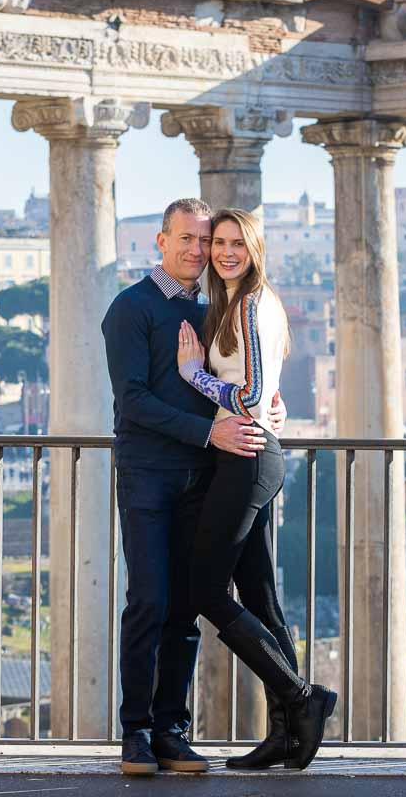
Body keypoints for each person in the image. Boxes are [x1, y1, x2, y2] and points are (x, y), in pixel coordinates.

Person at [101, 198, 287, 775]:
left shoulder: (215, 309)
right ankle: (135, 734)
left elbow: (240, 378)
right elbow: (132, 400)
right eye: (185, 239)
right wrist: (211, 431)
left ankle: (171, 733)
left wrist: (274, 408)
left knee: (184, 610)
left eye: (204, 241)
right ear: (161, 240)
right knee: (149, 601)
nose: (197, 250)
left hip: (204, 475)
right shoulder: (129, 308)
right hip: (148, 474)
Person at [176, 208, 336, 771]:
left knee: (207, 592)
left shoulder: (249, 305)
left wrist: (191, 372)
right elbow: (264, 394)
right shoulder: (243, 305)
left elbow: (248, 397)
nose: (223, 252)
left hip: (247, 457)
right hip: (251, 452)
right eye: (217, 243)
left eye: (235, 244)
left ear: (255, 248)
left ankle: (300, 698)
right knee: (263, 600)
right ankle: (285, 737)